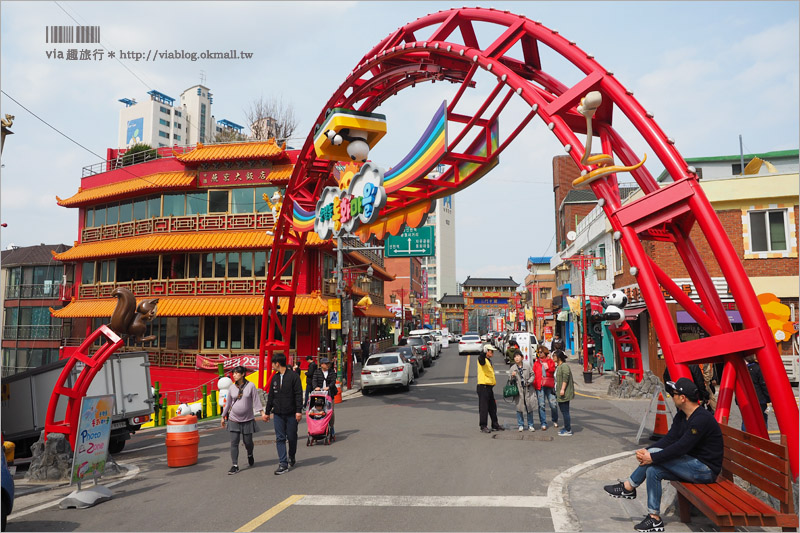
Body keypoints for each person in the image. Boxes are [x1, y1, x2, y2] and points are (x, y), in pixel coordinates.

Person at [603, 377, 723, 533]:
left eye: (673, 394)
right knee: (653, 471)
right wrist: (648, 452)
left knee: (653, 460)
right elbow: (670, 439)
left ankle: (629, 486)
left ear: (682, 398)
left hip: (705, 470)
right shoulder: (682, 415)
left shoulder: (701, 419)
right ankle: (654, 519)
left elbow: (681, 447)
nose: (671, 397)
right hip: (691, 464)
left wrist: (651, 457)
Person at [263, 354, 303, 475]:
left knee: (291, 437)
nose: (272, 366)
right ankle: (283, 464)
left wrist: (298, 411)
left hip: (291, 413)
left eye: (272, 364)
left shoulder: (294, 377)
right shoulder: (274, 378)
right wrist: (267, 412)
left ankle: (292, 456)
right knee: (280, 438)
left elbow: (298, 394)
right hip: (278, 414)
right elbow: (271, 396)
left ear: (277, 363)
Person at [221, 366, 263, 475]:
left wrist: (262, 413)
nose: (234, 375)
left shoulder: (251, 386)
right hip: (233, 419)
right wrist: (223, 416)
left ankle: (250, 453)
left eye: (236, 373)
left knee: (247, 442)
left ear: (243, 374)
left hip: (248, 419)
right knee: (234, 442)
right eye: (233, 373)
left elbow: (256, 400)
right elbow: (228, 403)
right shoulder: (232, 388)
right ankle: (235, 465)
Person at [477, 344, 505, 433]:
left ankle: (495, 424)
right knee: (484, 407)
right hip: (483, 387)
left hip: (489, 387)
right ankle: (483, 426)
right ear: (487, 351)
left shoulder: (489, 360)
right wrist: (483, 352)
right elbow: (481, 359)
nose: (492, 353)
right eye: (491, 351)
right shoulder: (482, 359)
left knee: (493, 407)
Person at [509, 352, 537, 432]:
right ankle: (520, 424)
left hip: (528, 389)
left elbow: (532, 375)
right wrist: (512, 376)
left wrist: (529, 382)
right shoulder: (512, 368)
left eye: (518, 356)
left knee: (529, 407)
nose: (516, 358)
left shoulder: (527, 366)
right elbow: (510, 380)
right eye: (515, 357)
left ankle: (530, 425)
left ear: (522, 357)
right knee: (519, 408)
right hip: (519, 390)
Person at [532, 346, 559, 430]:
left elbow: (553, 370)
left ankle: (555, 419)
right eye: (538, 352)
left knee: (553, 404)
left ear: (545, 353)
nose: (539, 354)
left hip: (549, 385)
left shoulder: (550, 361)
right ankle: (543, 422)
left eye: (541, 352)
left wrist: (547, 367)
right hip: (540, 385)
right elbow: (534, 374)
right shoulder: (536, 363)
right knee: (541, 405)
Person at [743, 355, 771, 431]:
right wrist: (768, 397)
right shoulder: (758, 368)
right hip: (759, 398)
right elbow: (763, 384)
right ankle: (764, 438)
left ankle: (746, 440)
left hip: (744, 399)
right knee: (762, 418)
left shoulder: (742, 368)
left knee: (746, 419)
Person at [312, 358, 337, 437]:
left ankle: (331, 427)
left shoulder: (331, 372)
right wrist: (316, 387)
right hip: (320, 395)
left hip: (329, 394)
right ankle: (318, 427)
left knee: (330, 411)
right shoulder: (317, 372)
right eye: (326, 364)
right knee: (318, 411)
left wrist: (329, 387)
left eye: (328, 364)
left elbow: (333, 381)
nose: (327, 365)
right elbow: (314, 380)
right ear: (321, 364)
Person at [554, 351, 574, 436]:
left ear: (559, 357)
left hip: (564, 392)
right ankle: (566, 427)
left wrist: (562, 389)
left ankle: (568, 430)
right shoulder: (558, 366)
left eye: (554, 356)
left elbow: (565, 378)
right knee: (563, 410)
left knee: (565, 411)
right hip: (559, 391)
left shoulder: (564, 366)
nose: (553, 357)